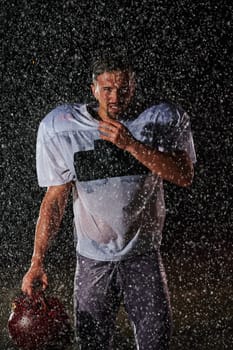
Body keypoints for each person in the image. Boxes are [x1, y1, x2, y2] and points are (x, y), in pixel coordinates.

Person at [21, 55, 196, 350]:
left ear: (133, 86)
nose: (115, 97)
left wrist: (131, 145)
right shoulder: (62, 126)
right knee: (92, 344)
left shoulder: (158, 119)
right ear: (93, 89)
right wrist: (37, 262)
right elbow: (54, 200)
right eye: (107, 89)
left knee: (157, 343)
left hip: (143, 257)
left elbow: (183, 175)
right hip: (92, 261)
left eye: (123, 88)